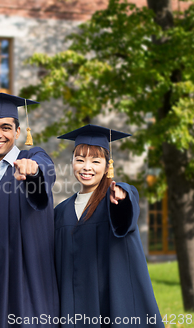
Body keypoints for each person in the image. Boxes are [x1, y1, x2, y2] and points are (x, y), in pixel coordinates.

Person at [54, 124, 164, 327]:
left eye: (96, 161)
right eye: (80, 160)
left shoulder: (114, 199)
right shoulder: (60, 212)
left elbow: (126, 212)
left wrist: (122, 196)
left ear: (107, 166)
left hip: (111, 304)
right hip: (75, 310)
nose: (87, 167)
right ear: (72, 163)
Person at [0, 93, 59, 327]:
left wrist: (33, 172)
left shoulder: (33, 159)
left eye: (6, 127)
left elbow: (43, 173)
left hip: (29, 294)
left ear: (18, 132)